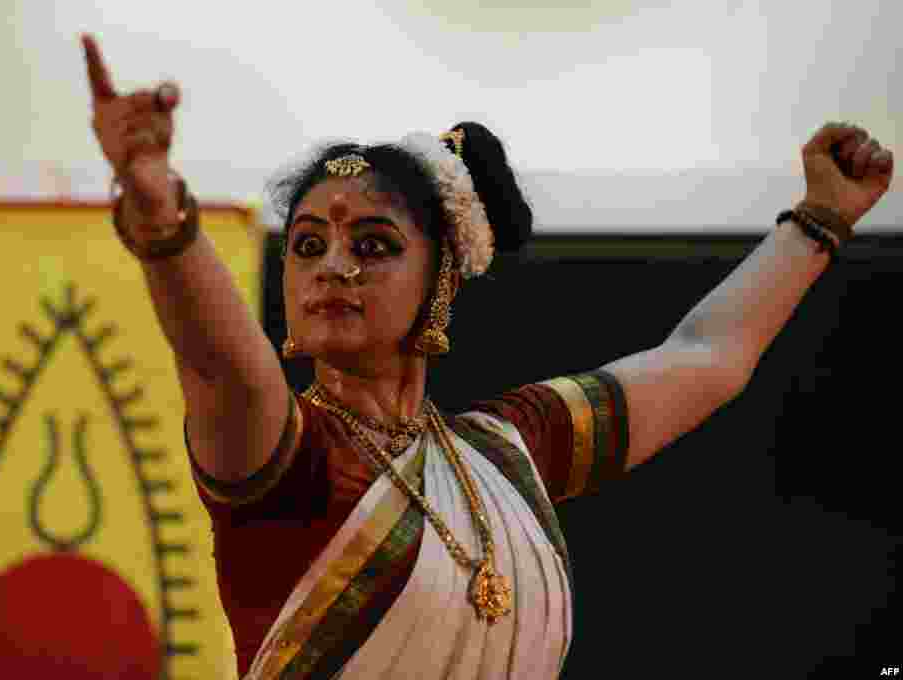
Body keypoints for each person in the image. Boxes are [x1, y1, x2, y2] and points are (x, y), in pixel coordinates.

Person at [81, 34, 894, 679]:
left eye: (373, 243)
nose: (333, 266)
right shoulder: (282, 458)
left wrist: (820, 218)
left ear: (442, 278)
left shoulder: (508, 452)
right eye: (306, 245)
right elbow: (218, 361)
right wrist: (160, 212)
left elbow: (708, 356)